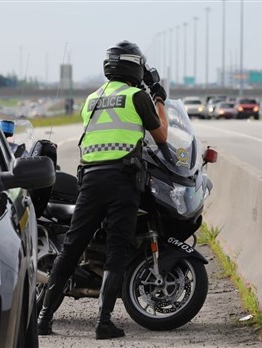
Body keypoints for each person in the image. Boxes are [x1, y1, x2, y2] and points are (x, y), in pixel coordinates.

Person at [37, 40, 168, 339]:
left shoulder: (91, 99)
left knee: (71, 249)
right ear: (135, 66)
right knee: (117, 249)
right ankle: (103, 322)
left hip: (90, 181)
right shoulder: (137, 96)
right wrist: (159, 97)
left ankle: (44, 319)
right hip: (122, 180)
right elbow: (161, 135)